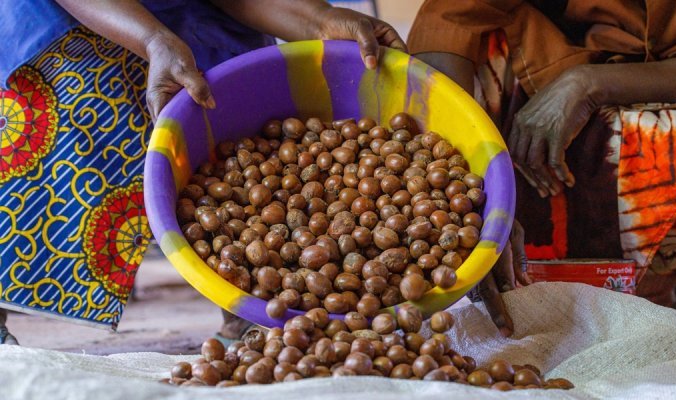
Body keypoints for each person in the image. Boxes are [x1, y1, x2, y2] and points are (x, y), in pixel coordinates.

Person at [0, 0, 406, 345]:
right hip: (75, 16)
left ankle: (251, 301)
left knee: (236, 116)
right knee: (83, 103)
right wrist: (152, 39)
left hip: (195, 15)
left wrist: (318, 19)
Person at [408, 0, 676, 322]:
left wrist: (588, 84)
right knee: (477, 57)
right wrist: (468, 196)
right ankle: (524, 281)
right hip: (545, 63)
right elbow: (449, 20)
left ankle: (668, 294)